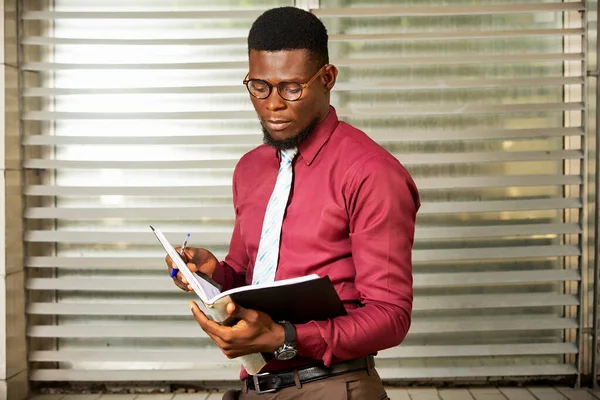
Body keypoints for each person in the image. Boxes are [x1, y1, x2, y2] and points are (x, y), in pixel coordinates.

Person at [165, 6, 420, 399]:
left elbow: (390, 317)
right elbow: (250, 277)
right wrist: (211, 273)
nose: (273, 104)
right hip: (255, 386)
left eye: (291, 88)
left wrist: (285, 336)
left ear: (328, 78)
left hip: (333, 387)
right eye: (259, 86)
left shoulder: (371, 172)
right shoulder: (251, 168)